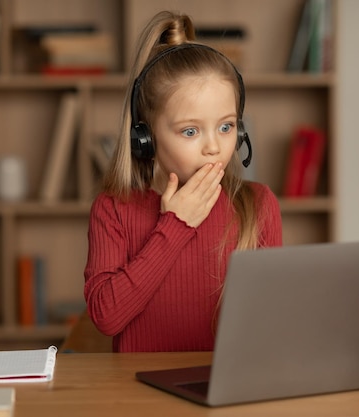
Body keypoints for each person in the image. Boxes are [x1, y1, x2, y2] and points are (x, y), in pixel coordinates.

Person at [83, 10, 283, 352]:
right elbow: (106, 317)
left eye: (226, 126)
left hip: (223, 395)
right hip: (137, 397)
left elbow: (271, 324)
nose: (213, 146)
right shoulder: (113, 209)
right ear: (144, 136)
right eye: (190, 131)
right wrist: (175, 226)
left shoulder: (259, 204)